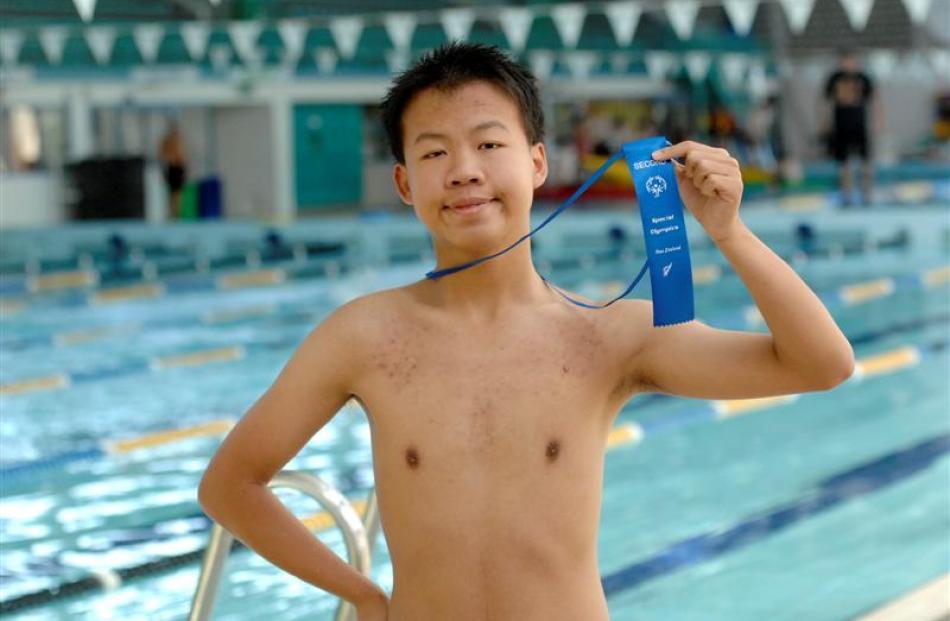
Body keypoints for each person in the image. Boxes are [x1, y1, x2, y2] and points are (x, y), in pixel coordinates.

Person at [198, 43, 854, 621]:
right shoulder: (365, 335)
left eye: (489, 144)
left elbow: (821, 363)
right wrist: (365, 595)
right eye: (435, 152)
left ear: (538, 162)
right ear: (405, 182)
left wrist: (728, 233)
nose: (464, 170)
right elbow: (231, 482)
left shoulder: (609, 334)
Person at [822, 50, 880, 206]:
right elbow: (826, 102)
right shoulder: (834, 78)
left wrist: (878, 122)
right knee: (844, 164)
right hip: (841, 126)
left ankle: (867, 195)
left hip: (859, 125)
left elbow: (874, 101)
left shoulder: (863, 78)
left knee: (866, 163)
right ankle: (847, 196)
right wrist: (825, 121)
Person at [159, 121, 187, 218]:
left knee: (178, 192)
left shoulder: (179, 141)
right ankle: (172, 212)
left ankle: (177, 212)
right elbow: (163, 154)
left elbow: (183, 156)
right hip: (172, 167)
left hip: (178, 167)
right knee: (171, 192)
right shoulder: (167, 141)